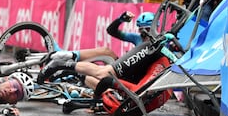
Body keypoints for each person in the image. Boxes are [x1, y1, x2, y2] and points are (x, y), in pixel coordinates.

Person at [37, 12, 167, 90]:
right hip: (128, 69)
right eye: (141, 31)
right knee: (106, 52)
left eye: (147, 30)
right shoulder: (137, 39)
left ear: (155, 28)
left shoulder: (161, 42)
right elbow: (112, 31)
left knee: (93, 75)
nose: (144, 35)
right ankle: (69, 56)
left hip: (134, 78)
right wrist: (120, 20)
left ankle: (69, 70)